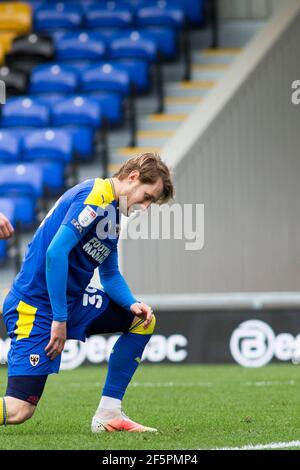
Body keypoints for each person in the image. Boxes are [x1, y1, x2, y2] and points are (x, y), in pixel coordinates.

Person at [0, 152, 174, 433]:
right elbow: (55, 254)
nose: (146, 206)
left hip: (71, 301)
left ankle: (108, 415)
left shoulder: (113, 214)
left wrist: (132, 304)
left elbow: (109, 274)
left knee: (143, 320)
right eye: (147, 197)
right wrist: (59, 319)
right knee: (20, 409)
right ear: (133, 178)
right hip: (35, 305)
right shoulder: (94, 197)